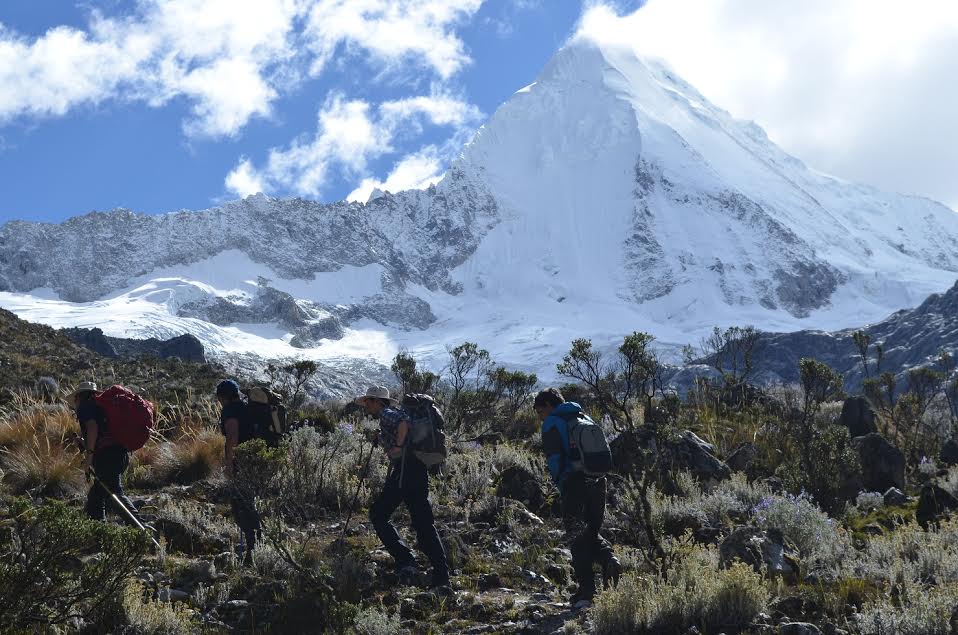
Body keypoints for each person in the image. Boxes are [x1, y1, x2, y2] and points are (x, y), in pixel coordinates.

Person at [357, 386, 451, 590]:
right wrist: (382, 438)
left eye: (368, 402)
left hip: (405, 471)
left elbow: (403, 424)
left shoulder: (387, 413)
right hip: (417, 470)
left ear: (376, 401)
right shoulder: (394, 414)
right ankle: (442, 576)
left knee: (379, 514)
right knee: (423, 523)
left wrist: (398, 447)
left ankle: (406, 560)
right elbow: (402, 429)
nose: (366, 406)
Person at [535, 388, 620, 607]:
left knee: (577, 536)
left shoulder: (553, 423)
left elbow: (554, 459)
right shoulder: (582, 416)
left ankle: (586, 591)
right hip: (598, 480)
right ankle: (609, 560)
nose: (539, 416)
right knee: (591, 530)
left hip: (575, 482)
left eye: (539, 410)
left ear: (548, 404)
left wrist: (561, 484)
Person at [69, 381, 144, 525]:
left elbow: (92, 428)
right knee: (96, 496)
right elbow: (102, 436)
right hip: (118, 454)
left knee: (114, 493)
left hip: (107, 457)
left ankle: (141, 528)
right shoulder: (101, 407)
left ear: (79, 396)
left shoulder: (86, 406)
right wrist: (83, 442)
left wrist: (89, 457)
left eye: (75, 399)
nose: (75, 402)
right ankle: (98, 532)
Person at [216, 379, 261, 565]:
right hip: (254, 462)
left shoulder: (230, 410)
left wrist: (229, 464)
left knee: (240, 506)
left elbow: (232, 436)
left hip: (240, 463)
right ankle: (256, 545)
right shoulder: (245, 407)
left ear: (222, 397)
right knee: (249, 503)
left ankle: (253, 551)